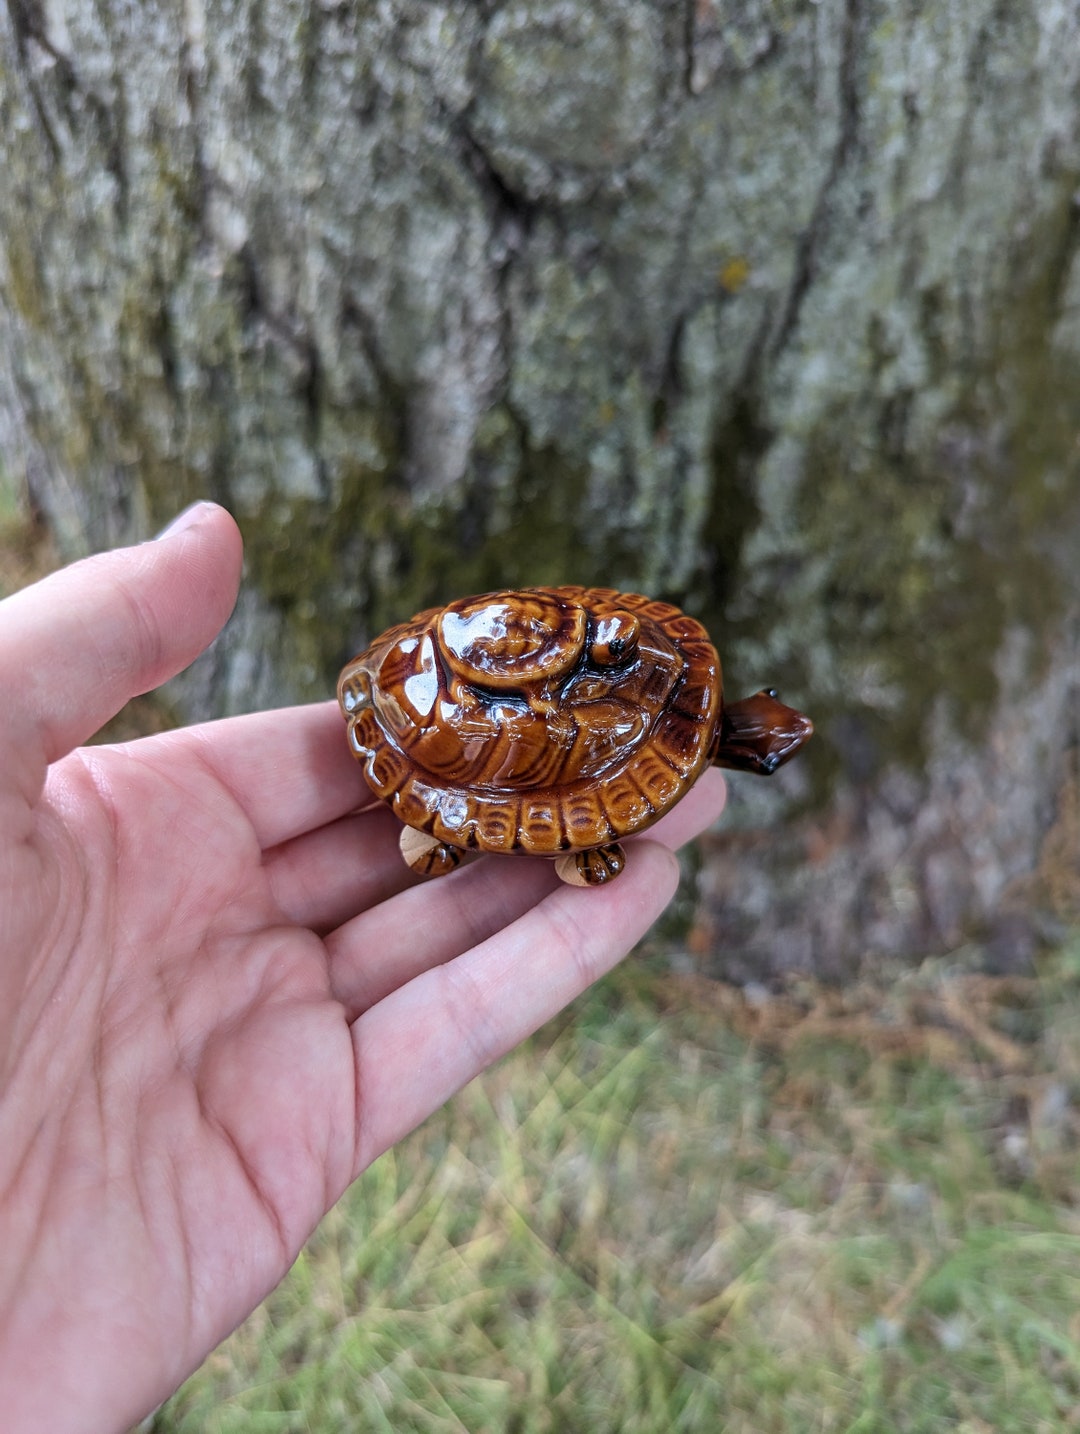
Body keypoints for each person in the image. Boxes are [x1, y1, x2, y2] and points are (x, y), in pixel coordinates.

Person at [0, 502, 727, 1432]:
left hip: (506, 703)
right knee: (512, 838)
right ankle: (484, 826)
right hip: (476, 715)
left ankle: (499, 823)